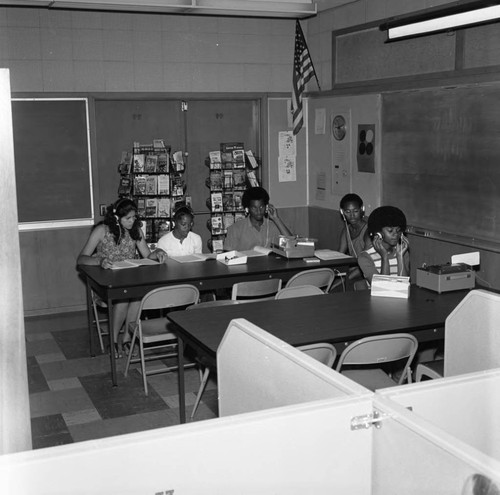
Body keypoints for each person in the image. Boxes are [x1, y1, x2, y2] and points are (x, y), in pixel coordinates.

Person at [77, 198, 166, 357]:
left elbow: (147, 255)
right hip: (105, 281)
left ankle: (127, 338)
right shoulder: (102, 231)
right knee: (124, 298)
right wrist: (100, 261)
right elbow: (81, 259)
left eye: (134, 217)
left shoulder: (136, 231)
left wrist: (158, 252)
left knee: (137, 297)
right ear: (117, 217)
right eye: (128, 218)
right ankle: (113, 340)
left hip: (129, 278)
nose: (132, 221)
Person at [223, 186, 293, 251]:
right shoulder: (235, 229)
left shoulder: (273, 226)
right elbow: (227, 255)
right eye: (254, 208)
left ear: (266, 207)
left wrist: (276, 219)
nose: (258, 211)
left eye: (261, 207)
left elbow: (291, 244)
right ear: (248, 208)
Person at [358, 205, 410, 284]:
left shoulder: (402, 252)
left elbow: (404, 285)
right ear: (378, 233)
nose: (395, 234)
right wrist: (384, 258)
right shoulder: (365, 257)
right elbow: (381, 288)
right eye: (390, 231)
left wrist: (400, 258)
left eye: (398, 230)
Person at [337, 193, 370, 284]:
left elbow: (367, 263)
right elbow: (339, 255)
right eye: (348, 212)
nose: (352, 216)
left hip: (367, 272)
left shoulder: (368, 231)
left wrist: (346, 278)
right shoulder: (346, 230)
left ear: (362, 209)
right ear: (342, 212)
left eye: (355, 211)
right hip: (355, 269)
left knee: (342, 285)